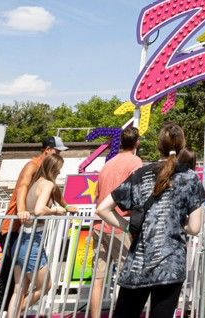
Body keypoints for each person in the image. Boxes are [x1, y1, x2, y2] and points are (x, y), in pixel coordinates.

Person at [96, 123, 205, 318]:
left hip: (137, 263)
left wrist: (129, 225)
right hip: (170, 264)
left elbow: (103, 208)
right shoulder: (190, 178)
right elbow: (195, 227)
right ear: (182, 146)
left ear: (158, 146)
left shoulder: (139, 175)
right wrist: (175, 223)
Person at [0, 135, 67, 318]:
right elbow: (22, 188)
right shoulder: (32, 166)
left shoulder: (44, 175)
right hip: (15, 228)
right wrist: (23, 212)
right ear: (47, 150)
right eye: (56, 152)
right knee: (11, 278)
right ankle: (0, 311)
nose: (58, 155)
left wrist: (65, 205)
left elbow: (54, 190)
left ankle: (9, 312)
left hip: (24, 231)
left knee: (18, 285)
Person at [89, 127, 143, 318]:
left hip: (98, 224)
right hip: (120, 223)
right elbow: (138, 193)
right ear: (137, 142)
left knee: (98, 279)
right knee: (125, 276)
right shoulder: (136, 162)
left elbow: (97, 194)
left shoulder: (108, 163)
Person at [9, 154, 69, 318]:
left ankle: (12, 313)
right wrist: (56, 210)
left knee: (19, 287)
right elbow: (40, 209)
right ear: (54, 169)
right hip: (32, 242)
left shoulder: (35, 183)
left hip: (21, 239)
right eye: (59, 170)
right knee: (45, 286)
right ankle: (15, 312)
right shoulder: (48, 184)